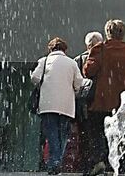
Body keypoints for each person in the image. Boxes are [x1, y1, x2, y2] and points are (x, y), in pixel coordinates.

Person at [83, 19, 125, 176]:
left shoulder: (100, 49)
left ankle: (100, 161)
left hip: (102, 100)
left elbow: (88, 71)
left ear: (107, 32)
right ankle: (119, 166)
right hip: (122, 102)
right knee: (122, 133)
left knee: (98, 132)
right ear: (123, 34)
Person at [31, 37, 83, 175]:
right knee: (63, 134)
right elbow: (79, 83)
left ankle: (55, 163)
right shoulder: (72, 63)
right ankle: (57, 161)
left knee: (52, 133)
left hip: (48, 105)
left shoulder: (44, 61)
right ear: (64, 49)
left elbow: (35, 78)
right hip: (66, 106)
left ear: (50, 49)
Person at [73, 31, 103, 173]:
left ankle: (87, 165)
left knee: (85, 136)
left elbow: (74, 85)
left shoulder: (78, 60)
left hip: (84, 104)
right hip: (103, 102)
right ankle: (100, 161)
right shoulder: (107, 59)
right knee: (101, 134)